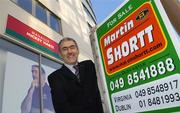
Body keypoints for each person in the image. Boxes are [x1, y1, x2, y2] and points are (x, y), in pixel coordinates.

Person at [48, 37, 104, 113]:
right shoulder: (54, 77)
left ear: (77, 51)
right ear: (60, 54)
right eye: (65, 49)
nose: (70, 51)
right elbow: (62, 108)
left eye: (72, 47)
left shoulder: (89, 65)